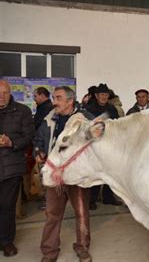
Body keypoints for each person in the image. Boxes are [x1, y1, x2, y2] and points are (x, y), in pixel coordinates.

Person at [33, 86, 93, 262]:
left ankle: (82, 247)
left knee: (82, 213)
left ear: (70, 101)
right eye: (53, 97)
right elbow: (38, 139)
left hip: (77, 175)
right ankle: (49, 252)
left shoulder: (85, 119)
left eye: (58, 98)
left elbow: (95, 143)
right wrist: (39, 151)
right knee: (52, 214)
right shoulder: (49, 119)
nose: (54, 102)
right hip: (55, 175)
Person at [0, 80, 35, 257]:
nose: (1, 96)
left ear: (10, 93)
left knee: (7, 207)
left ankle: (7, 242)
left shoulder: (22, 111)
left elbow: (29, 136)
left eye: (5, 93)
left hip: (10, 167)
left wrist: (11, 142)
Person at [85, 83, 122, 210]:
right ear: (96, 95)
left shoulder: (112, 109)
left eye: (106, 95)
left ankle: (108, 197)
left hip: (109, 144)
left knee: (109, 172)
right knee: (95, 173)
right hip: (94, 145)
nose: (104, 97)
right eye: (101, 94)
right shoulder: (88, 108)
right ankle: (91, 199)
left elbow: (117, 125)